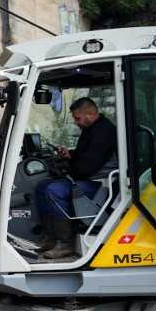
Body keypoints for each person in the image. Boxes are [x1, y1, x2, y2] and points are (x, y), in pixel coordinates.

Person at [34, 97, 117, 259]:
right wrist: (69, 154)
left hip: (101, 183)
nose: (76, 122)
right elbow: (84, 156)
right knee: (41, 187)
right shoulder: (90, 129)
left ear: (91, 113)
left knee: (54, 190)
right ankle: (50, 237)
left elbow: (87, 167)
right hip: (89, 177)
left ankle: (65, 243)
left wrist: (67, 171)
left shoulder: (104, 132)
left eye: (78, 118)